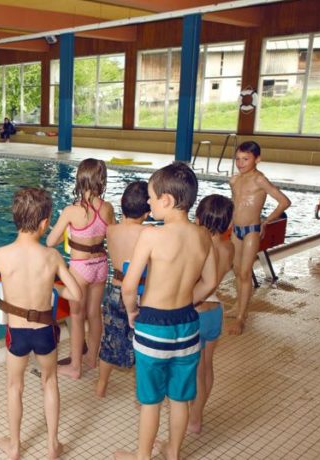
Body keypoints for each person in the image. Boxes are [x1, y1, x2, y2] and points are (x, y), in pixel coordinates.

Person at [115, 161, 217, 460]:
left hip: (153, 326)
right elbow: (210, 280)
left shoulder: (151, 235)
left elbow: (129, 286)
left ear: (167, 200)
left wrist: (133, 312)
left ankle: (143, 456)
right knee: (180, 398)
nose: (147, 202)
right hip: (187, 324)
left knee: (151, 402)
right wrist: (187, 299)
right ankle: (173, 454)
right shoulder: (203, 236)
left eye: (150, 196)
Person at [0, 187, 81, 460]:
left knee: (15, 386)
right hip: (45, 332)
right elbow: (76, 294)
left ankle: (14, 447)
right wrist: (54, 291)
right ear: (46, 223)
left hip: (17, 334)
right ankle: (52, 447)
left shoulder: (1, 254)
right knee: (49, 382)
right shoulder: (52, 257)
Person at [47, 158, 115, 379]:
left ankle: (75, 367)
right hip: (101, 266)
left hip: (80, 267)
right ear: (101, 181)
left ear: (80, 179)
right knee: (95, 314)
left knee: (77, 316)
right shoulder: (107, 209)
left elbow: (50, 242)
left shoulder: (72, 211)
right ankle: (92, 359)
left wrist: (67, 229)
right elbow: (112, 237)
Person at [228, 141, 291, 335]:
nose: (240, 163)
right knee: (237, 270)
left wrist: (265, 222)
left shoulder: (260, 180)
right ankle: (238, 305)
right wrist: (230, 222)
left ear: (258, 159)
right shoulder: (234, 180)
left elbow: (284, 201)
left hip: (252, 230)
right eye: (238, 159)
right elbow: (234, 202)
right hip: (235, 230)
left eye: (245, 159)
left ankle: (241, 317)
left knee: (245, 273)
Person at [95, 180, 150, 398]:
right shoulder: (148, 233)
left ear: (122, 203)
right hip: (140, 293)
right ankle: (140, 391)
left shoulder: (111, 230)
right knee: (142, 343)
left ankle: (101, 385)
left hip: (115, 290)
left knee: (109, 339)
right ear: (147, 212)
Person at [188, 194, 235, 434]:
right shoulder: (229, 248)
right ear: (228, 224)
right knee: (207, 366)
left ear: (197, 219)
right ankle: (198, 416)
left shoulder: (198, 246)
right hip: (215, 312)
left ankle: (192, 417)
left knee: (193, 370)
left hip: (195, 312)